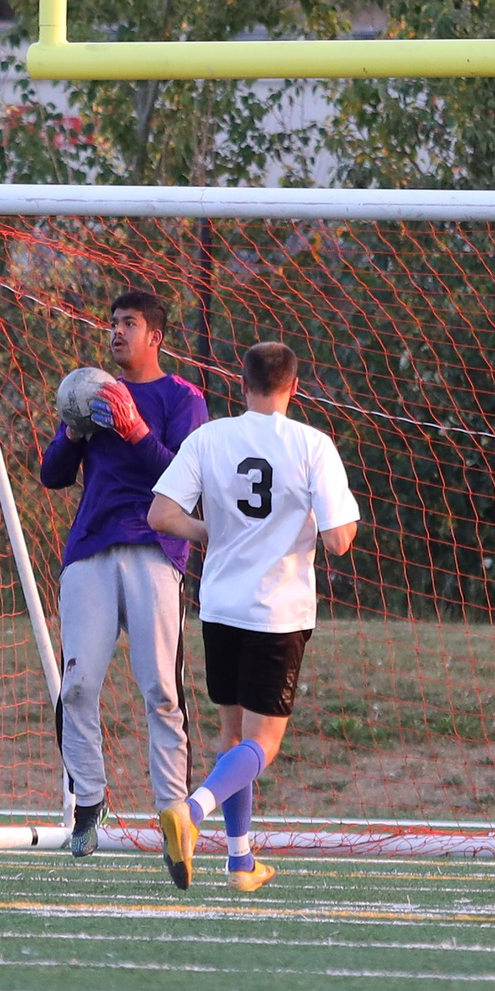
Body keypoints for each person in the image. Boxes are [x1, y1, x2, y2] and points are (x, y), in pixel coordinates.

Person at [146, 341, 359, 892]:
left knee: (233, 737)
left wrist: (206, 532)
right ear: (293, 387)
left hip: (219, 609)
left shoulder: (210, 437)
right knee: (262, 746)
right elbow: (338, 541)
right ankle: (189, 814)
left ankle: (240, 861)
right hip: (277, 613)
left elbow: (162, 514)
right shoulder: (312, 444)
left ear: (242, 384)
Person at [37, 290, 209, 856]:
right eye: (112, 323)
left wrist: (136, 432)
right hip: (89, 551)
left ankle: (172, 813)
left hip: (156, 552)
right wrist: (73, 432)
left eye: (128, 324)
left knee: (161, 689)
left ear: (155, 336)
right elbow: (53, 476)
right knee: (78, 685)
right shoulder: (90, 394)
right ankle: (88, 804)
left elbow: (184, 476)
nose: (115, 332)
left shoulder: (183, 397)